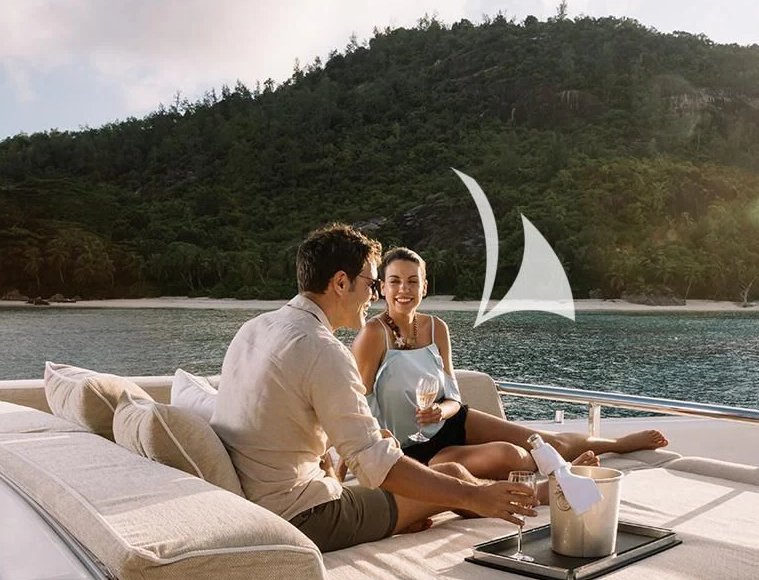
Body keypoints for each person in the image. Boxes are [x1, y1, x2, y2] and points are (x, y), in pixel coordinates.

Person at [210, 224, 535, 552]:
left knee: (434, 479)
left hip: (255, 503)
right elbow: (378, 466)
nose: (375, 295)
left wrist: (345, 463)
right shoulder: (322, 349)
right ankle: (537, 500)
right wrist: (474, 495)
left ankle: (411, 511)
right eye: (371, 283)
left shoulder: (254, 328)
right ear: (341, 283)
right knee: (455, 476)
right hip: (301, 516)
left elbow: (285, 424)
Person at [351, 247, 670, 480]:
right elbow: (358, 408)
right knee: (511, 455)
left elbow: (453, 396)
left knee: (546, 441)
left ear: (424, 286)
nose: (403, 290)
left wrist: (441, 411)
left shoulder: (437, 328)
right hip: (412, 451)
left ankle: (617, 444)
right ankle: (563, 470)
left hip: (451, 422)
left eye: (412, 281)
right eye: (394, 281)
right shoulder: (373, 335)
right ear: (383, 287)